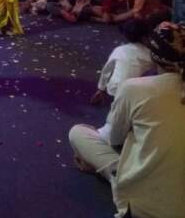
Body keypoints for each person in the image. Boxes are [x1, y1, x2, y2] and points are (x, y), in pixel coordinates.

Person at [69, 22, 185, 218]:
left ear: (153, 54)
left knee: (78, 132)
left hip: (148, 205)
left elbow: (115, 138)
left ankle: (115, 174)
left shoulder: (135, 88)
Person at [90, 19, 153, 108]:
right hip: (134, 93)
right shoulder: (150, 54)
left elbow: (107, 71)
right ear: (145, 37)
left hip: (114, 90)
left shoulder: (119, 50)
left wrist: (101, 89)